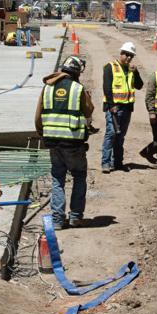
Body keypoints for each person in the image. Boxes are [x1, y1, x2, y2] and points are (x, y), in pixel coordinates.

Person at [35, 55, 93, 229]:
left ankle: (58, 220)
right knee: (79, 175)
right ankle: (75, 216)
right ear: (77, 73)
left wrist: (43, 133)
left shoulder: (47, 88)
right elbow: (89, 110)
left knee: (57, 179)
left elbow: (38, 116)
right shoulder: (78, 89)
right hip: (73, 143)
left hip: (53, 143)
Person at [101, 41, 143, 173]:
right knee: (111, 134)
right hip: (114, 108)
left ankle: (118, 162)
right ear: (121, 53)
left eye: (131, 55)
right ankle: (106, 163)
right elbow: (107, 87)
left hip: (127, 108)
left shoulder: (131, 70)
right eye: (126, 54)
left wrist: (136, 72)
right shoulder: (110, 67)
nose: (129, 57)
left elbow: (139, 85)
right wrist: (111, 105)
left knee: (121, 136)